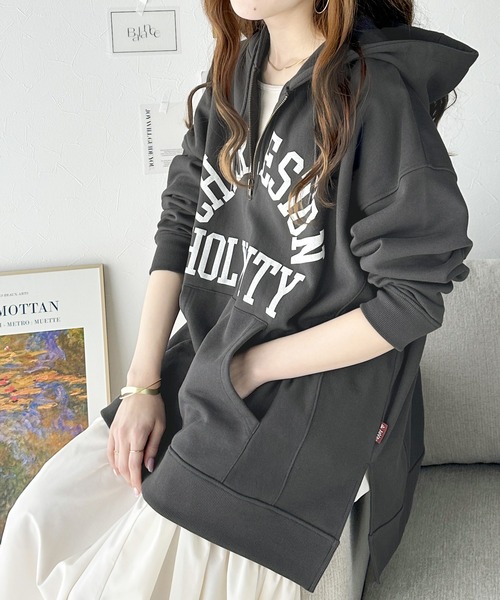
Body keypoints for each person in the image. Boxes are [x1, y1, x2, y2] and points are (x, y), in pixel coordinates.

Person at [0, 0, 478, 598]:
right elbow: (182, 221)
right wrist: (141, 386)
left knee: (131, 578)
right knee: (38, 523)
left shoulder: (374, 93)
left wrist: (249, 368)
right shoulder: (236, 73)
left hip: (310, 393)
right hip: (211, 357)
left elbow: (411, 299)